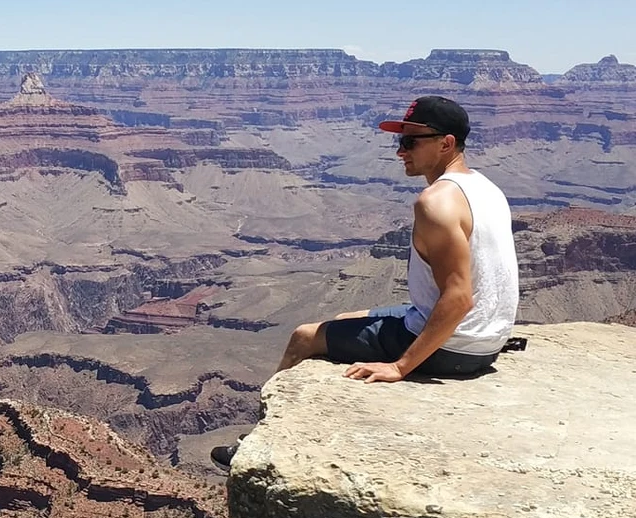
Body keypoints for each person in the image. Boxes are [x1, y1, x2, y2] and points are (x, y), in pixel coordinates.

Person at [211, 95, 519, 470]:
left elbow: (459, 299)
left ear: (446, 143)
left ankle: (260, 445)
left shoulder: (435, 202)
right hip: (487, 339)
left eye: (410, 142)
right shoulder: (485, 187)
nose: (399, 152)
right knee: (344, 319)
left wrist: (401, 367)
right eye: (398, 141)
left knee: (305, 337)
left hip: (455, 350)